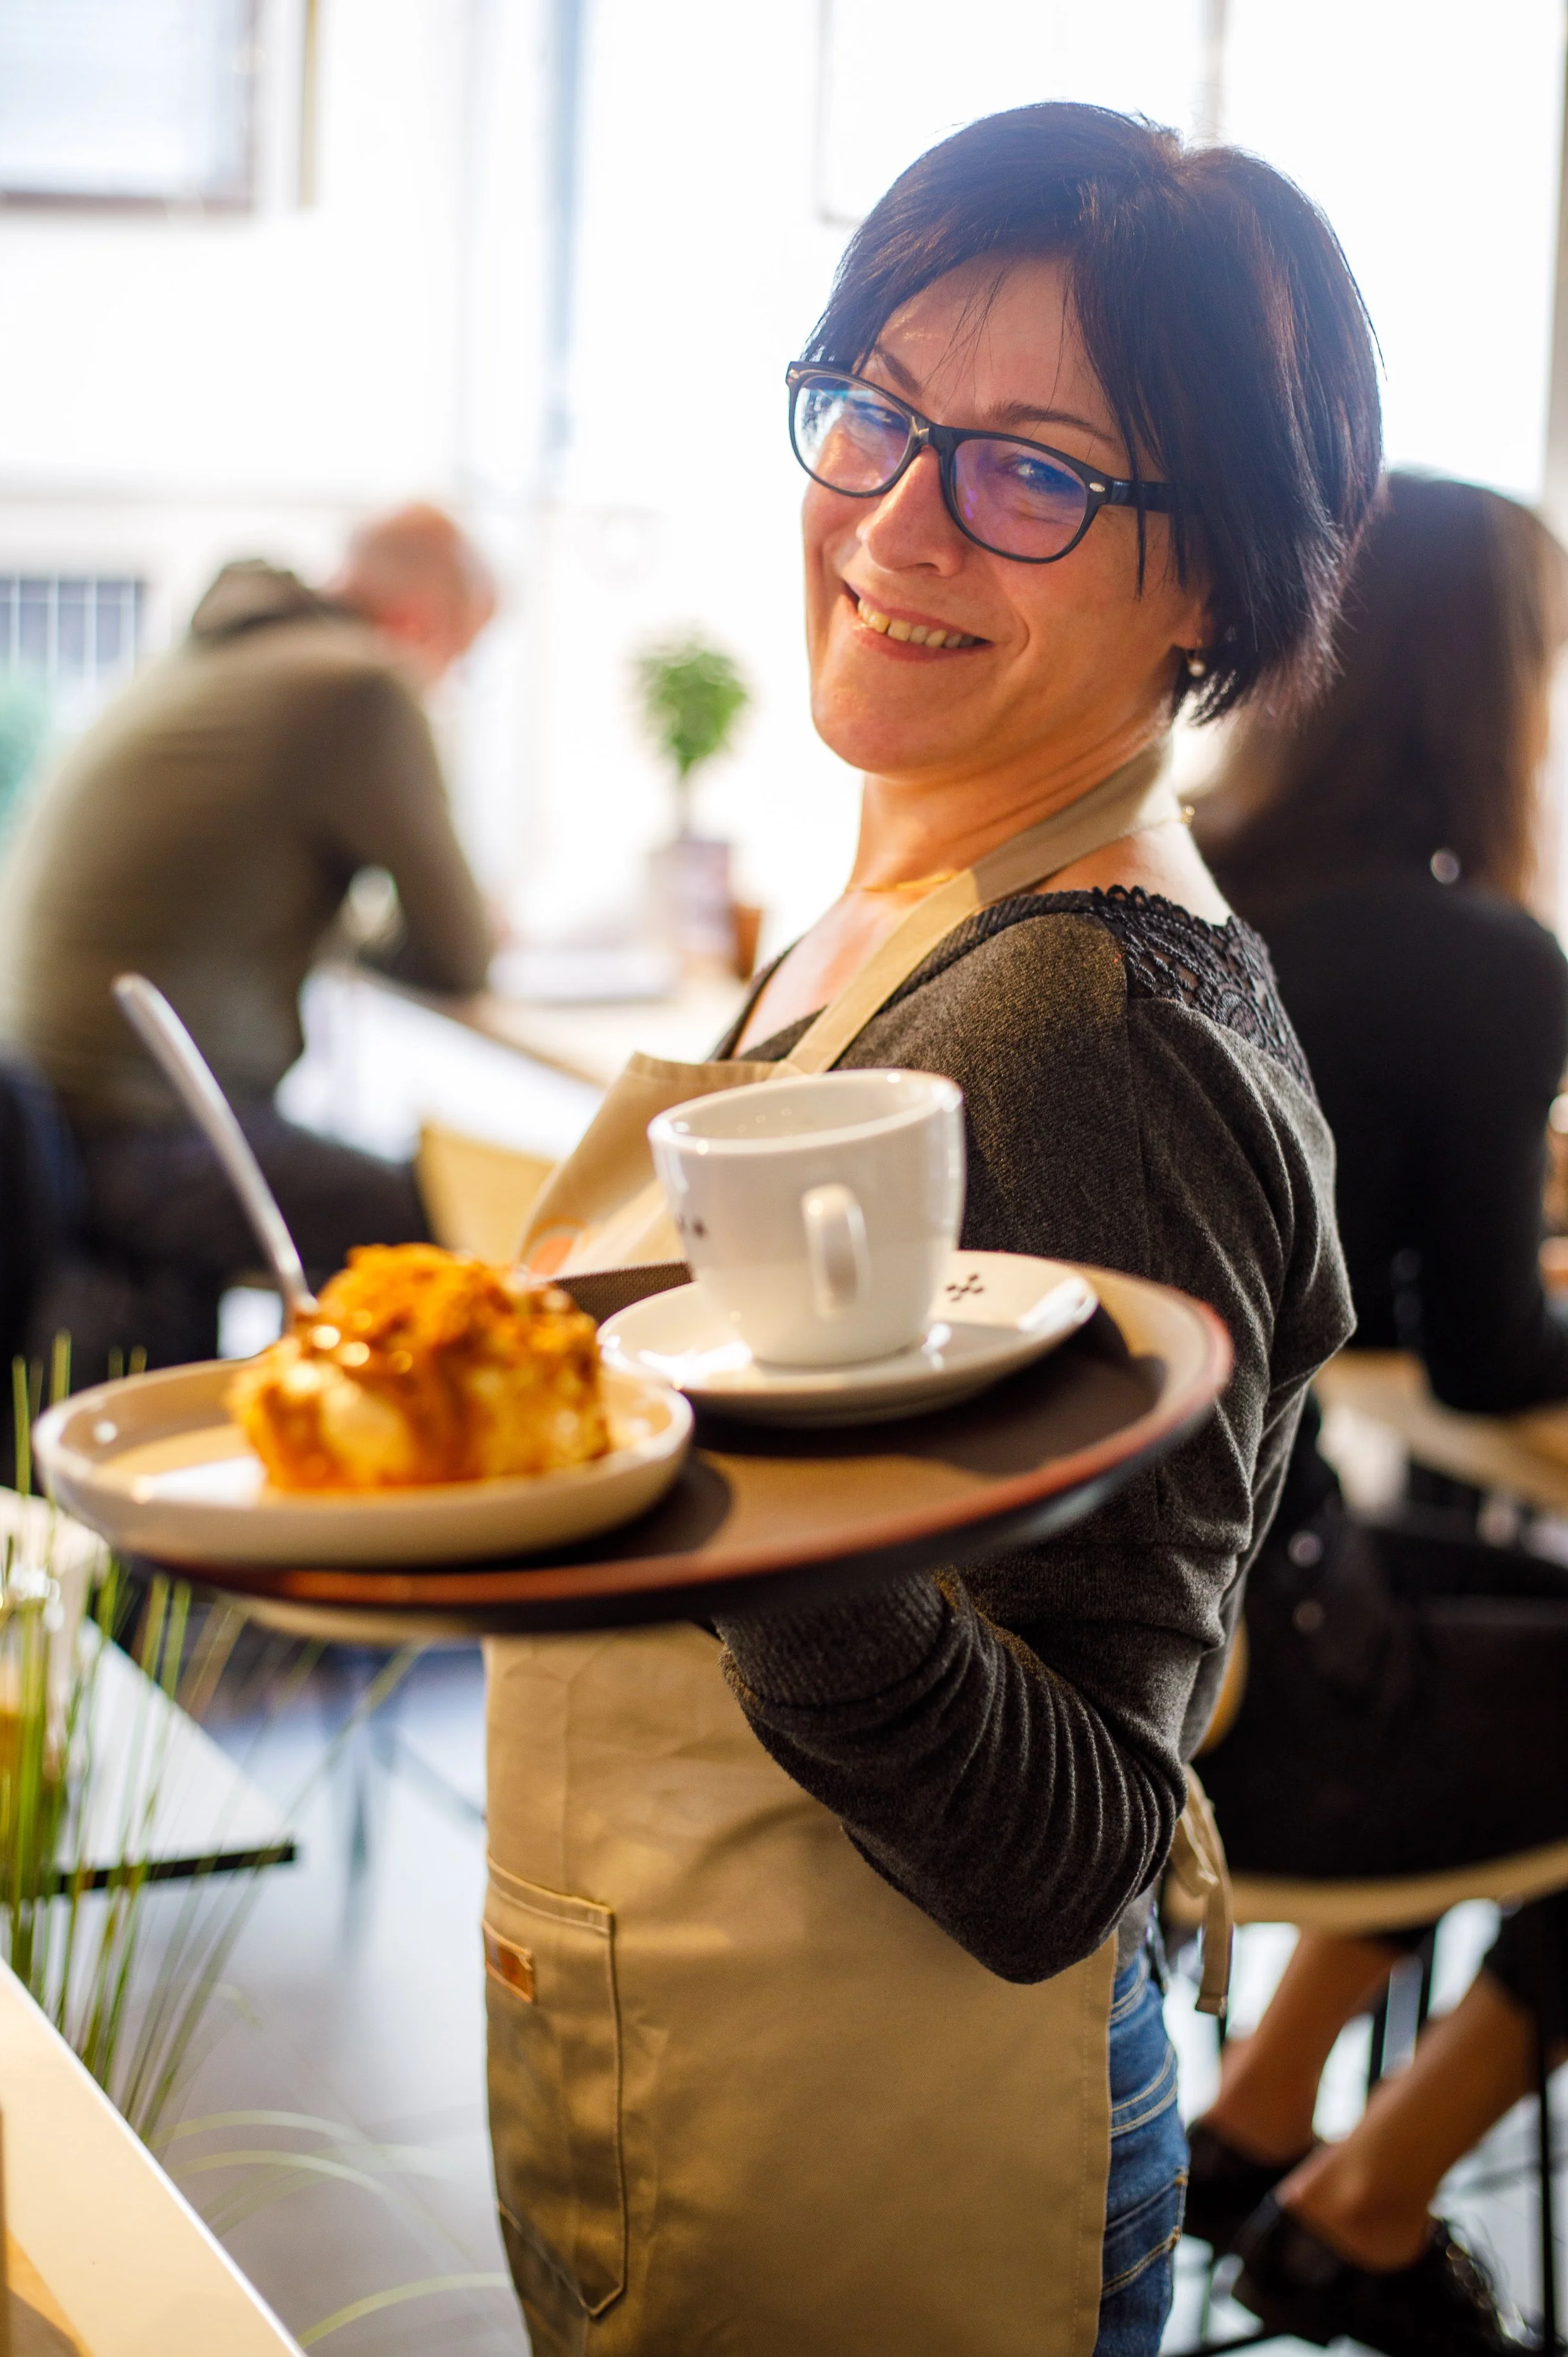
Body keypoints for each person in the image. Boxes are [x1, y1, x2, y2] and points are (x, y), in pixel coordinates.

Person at [482, 103, 1379, 2357]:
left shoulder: (1087, 1014)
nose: (896, 515)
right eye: (875, 411)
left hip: (910, 2153)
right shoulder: (906, 908)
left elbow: (1066, 1847)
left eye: (1034, 471)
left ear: (1216, 583)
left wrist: (762, 1503)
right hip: (708, 2057)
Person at [1187, 473, 1568, 2354]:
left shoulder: (1179, 877)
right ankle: (1372, 2197)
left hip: (1163, 1667)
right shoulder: (1473, 960)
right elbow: (1493, 1356)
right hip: (1270, 1697)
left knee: (1493, 1613)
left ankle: (1259, 2118)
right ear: (1498, 686)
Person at [0, 503, 496, 1376]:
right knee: (445, 1217)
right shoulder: (363, 685)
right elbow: (459, 949)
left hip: (40, 1118)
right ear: (422, 626)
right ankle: (367, 1475)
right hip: (138, 1132)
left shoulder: (204, 658)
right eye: (461, 660)